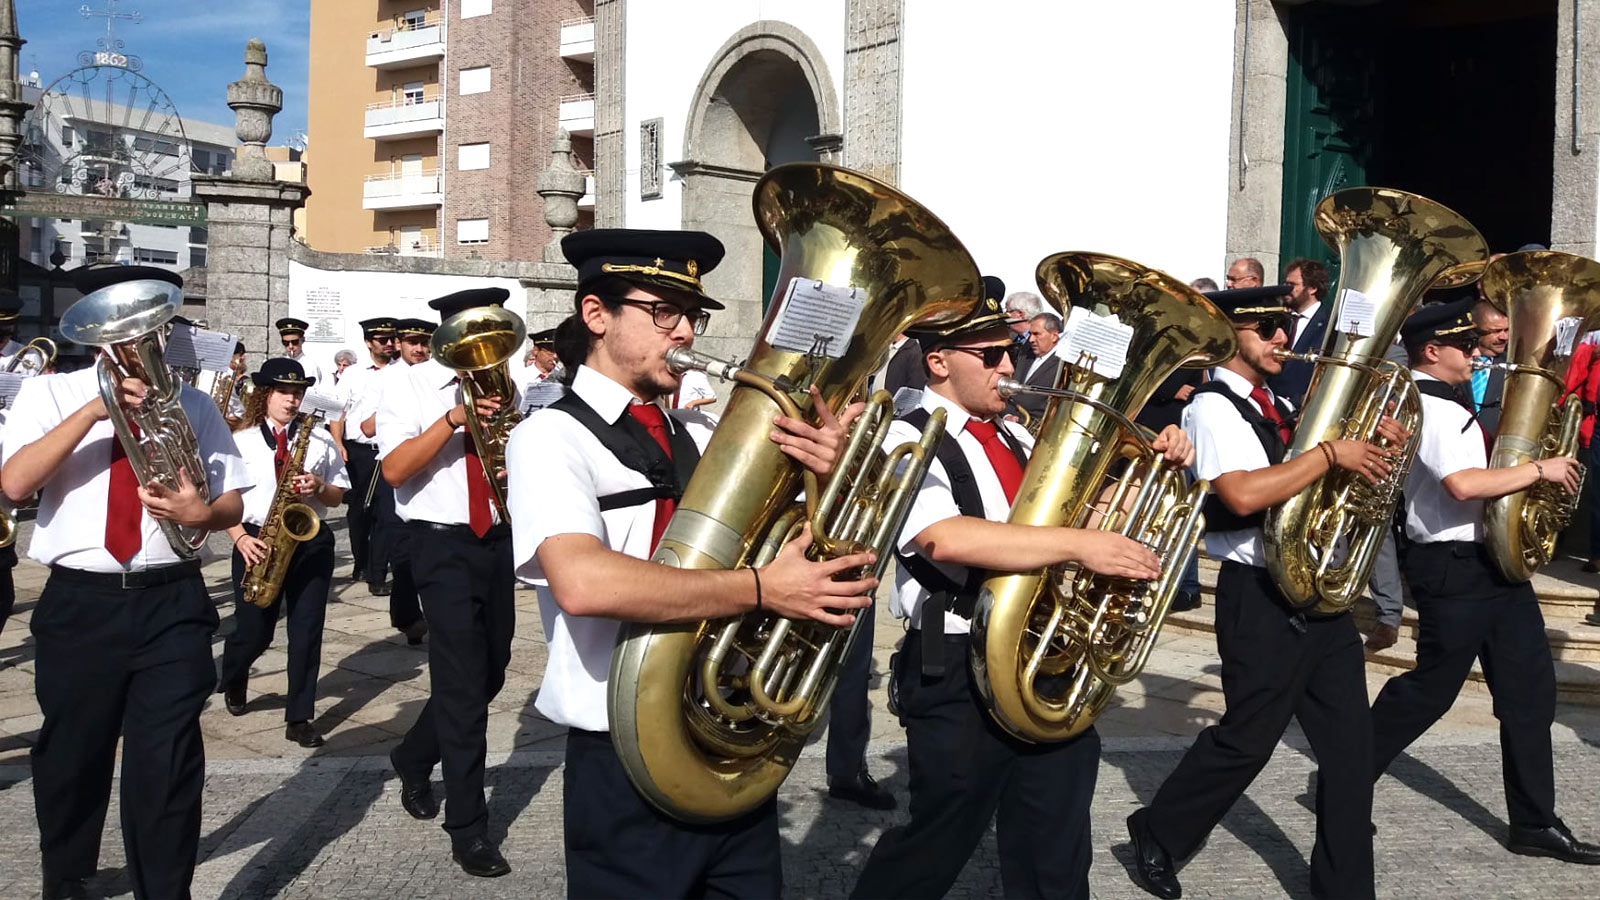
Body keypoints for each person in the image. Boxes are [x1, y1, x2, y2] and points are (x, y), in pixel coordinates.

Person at [510, 228, 875, 898]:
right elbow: (583, 582)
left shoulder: (701, 432)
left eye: (692, 317)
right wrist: (764, 589)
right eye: (664, 313)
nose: (683, 333)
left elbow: (806, 541)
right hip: (623, 751)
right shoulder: (547, 436)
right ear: (596, 315)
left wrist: (830, 479)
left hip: (728, 731)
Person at [850, 290, 1190, 900]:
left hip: (1045, 655)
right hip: (956, 660)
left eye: (1010, 351)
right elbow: (943, 538)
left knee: (1055, 852)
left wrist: (1151, 471)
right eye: (992, 354)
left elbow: (1081, 515)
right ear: (939, 361)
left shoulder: (1017, 432)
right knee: (936, 845)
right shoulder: (901, 436)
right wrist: (1077, 546)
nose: (1009, 366)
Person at [1123, 284, 1401, 900]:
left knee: (1352, 754)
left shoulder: (1275, 400)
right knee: (1248, 741)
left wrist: (1372, 449)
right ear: (1231, 336)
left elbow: (1306, 481)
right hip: (1259, 595)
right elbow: (1243, 495)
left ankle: (1346, 888)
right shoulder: (1213, 408)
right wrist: (1331, 453)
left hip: (1314, 593)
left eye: (1283, 325)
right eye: (1268, 327)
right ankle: (1158, 830)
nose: (1283, 337)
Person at [1, 266, 250, 900]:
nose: (138, 342)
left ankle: (165, 890)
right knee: (71, 752)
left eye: (150, 328)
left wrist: (202, 515)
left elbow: (233, 505)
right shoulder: (50, 394)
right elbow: (15, 483)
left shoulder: (193, 404)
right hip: (80, 600)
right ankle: (67, 871)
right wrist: (97, 407)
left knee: (166, 760)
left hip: (171, 598)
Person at [1368, 298, 1600, 865]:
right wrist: (1538, 470)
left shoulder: (1454, 405)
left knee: (1528, 693)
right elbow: (1464, 486)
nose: (1476, 354)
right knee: (1430, 691)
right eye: (1465, 346)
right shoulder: (1432, 408)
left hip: (1494, 563)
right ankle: (1344, 776)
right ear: (1431, 351)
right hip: (1452, 567)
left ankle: (1534, 823)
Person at [380, 289, 521, 877]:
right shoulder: (405, 387)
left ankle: (413, 756)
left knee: (489, 672)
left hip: (499, 538)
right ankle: (469, 827)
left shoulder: (514, 391)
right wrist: (452, 421)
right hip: (440, 544)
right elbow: (393, 469)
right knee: (462, 690)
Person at [216, 358, 349, 748]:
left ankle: (299, 716)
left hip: (309, 538)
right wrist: (240, 538)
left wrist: (319, 486)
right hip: (256, 538)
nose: (292, 401)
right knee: (253, 630)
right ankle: (236, 671)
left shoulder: (320, 439)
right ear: (265, 395)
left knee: (306, 632)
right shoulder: (238, 441)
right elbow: (222, 500)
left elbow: (338, 498)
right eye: (284, 393)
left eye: (297, 393)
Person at [363, 319, 428, 642]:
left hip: (431, 461)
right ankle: (407, 615)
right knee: (401, 544)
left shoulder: (436, 373)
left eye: (424, 342)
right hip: (395, 462)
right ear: (399, 343)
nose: (420, 349)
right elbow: (365, 426)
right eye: (413, 342)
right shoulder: (385, 379)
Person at [331, 317, 397, 587]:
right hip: (359, 451)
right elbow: (338, 411)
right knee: (359, 513)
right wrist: (338, 444)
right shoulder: (353, 374)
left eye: (392, 339)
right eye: (383, 340)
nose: (390, 344)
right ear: (369, 343)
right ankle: (361, 561)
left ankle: (377, 573)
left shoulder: (402, 371)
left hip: (391, 449)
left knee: (387, 511)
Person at [1268, 257, 1332, 405]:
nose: (1286, 289)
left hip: (1304, 409)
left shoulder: (1330, 325)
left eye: (1292, 285)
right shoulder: (1280, 319)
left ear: (1312, 288)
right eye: (1285, 284)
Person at [1006, 311, 1063, 423]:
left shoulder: (1062, 366)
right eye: (1030, 334)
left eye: (1036, 334)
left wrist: (1021, 420)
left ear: (1054, 336)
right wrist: (1007, 414)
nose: (1031, 339)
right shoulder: (1026, 352)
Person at [1469, 297, 1510, 434]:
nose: (1504, 337)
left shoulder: (1513, 367)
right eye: (1496, 331)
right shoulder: (1454, 361)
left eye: (1506, 330)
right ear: (1475, 330)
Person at [1000, 284, 1041, 370]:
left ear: (1020, 314)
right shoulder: (1012, 338)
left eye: (1008, 312)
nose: (1005, 316)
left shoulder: (1041, 341)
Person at [276, 317, 325, 385]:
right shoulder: (279, 364)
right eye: (286, 343)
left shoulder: (310, 366)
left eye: (294, 342)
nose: (290, 347)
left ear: (302, 340)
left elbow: (314, 391)